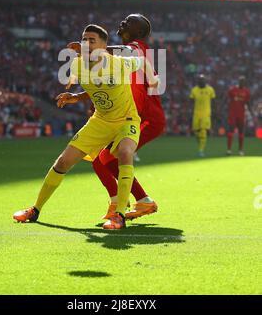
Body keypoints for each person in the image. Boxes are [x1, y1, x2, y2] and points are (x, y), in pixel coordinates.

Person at [13, 24, 159, 230]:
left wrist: (153, 80)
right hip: (100, 121)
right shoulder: (77, 66)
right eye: (84, 40)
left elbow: (142, 61)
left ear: (103, 45)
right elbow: (97, 86)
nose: (86, 43)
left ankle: (119, 215)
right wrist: (76, 96)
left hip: (126, 120)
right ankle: (35, 209)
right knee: (63, 162)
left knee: (125, 152)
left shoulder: (118, 64)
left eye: (92, 40)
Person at [59, 14, 165, 221]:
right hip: (134, 117)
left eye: (129, 22)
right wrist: (79, 96)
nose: (123, 23)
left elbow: (124, 52)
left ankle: (124, 204)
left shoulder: (138, 47)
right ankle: (136, 202)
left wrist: (88, 50)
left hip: (144, 119)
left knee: (104, 159)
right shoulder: (116, 62)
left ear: (139, 32)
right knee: (101, 161)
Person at [190, 74, 216, 157]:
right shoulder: (194, 90)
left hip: (206, 114)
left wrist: (214, 111)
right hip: (196, 114)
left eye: (203, 80)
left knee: (203, 131)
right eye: (200, 80)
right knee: (196, 132)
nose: (201, 81)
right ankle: (200, 145)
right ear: (198, 81)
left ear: (205, 81)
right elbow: (191, 101)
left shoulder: (210, 90)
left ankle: (201, 150)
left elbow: (214, 100)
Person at [227, 76, 253, 156]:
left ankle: (240, 150)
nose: (242, 82)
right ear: (238, 81)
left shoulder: (247, 92)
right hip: (233, 114)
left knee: (241, 131)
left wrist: (251, 112)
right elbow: (226, 99)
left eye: (243, 81)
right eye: (241, 81)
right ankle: (229, 149)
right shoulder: (232, 90)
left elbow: (248, 103)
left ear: (245, 83)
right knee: (231, 130)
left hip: (241, 114)